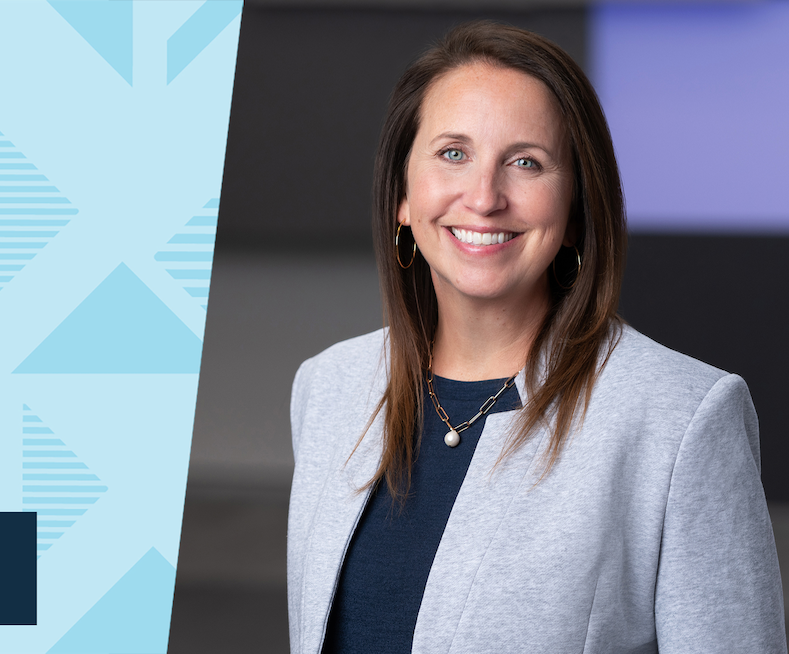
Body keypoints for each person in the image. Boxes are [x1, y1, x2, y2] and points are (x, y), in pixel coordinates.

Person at [286, 20, 785, 654]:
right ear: (402, 198)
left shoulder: (682, 419)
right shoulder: (329, 387)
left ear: (577, 211)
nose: (485, 197)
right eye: (453, 153)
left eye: (526, 162)